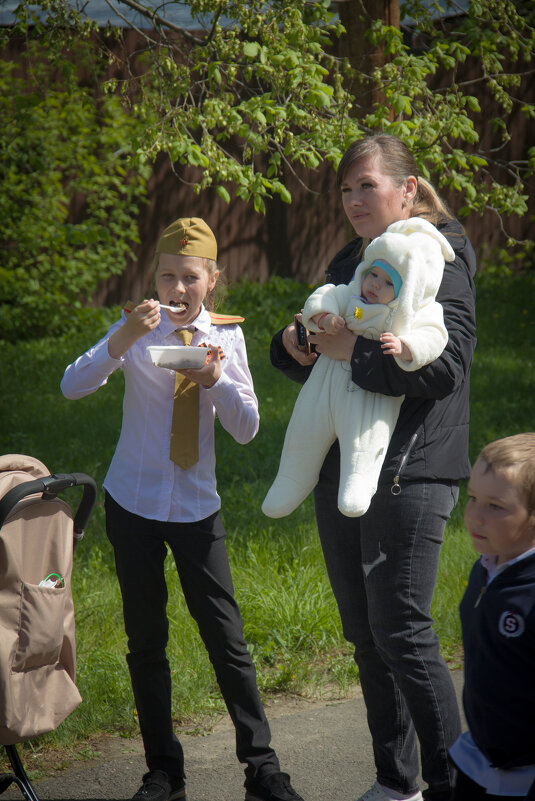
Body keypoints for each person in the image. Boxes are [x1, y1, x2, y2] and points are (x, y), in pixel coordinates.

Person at [61, 217, 305, 801]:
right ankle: (163, 771)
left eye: (189, 277)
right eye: (167, 274)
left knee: (227, 637)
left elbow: (247, 430)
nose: (177, 286)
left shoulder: (229, 337)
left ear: (211, 280)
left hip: (197, 509)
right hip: (133, 502)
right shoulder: (136, 330)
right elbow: (72, 386)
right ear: (155, 277)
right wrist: (119, 340)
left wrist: (216, 377)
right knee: (147, 640)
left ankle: (262, 767)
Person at [269, 134, 477, 801]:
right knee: (365, 637)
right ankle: (396, 782)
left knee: (403, 634)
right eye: (345, 188)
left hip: (410, 474)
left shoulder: (439, 253)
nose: (353, 199)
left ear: (407, 188)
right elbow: (319, 334)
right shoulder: (351, 256)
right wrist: (293, 343)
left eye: (366, 185)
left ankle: (451, 786)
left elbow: (445, 367)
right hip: (340, 471)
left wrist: (349, 350)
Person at [262, 217, 452, 518]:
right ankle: (291, 479)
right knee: (304, 427)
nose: (375, 285)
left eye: (389, 283)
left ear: (408, 292)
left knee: (365, 436)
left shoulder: (415, 314)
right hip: (324, 383)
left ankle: (358, 482)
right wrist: (323, 318)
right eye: (373, 275)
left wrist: (407, 347)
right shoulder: (350, 294)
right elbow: (323, 296)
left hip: (370, 394)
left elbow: (435, 336)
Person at [449, 433, 535, 801]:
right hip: (478, 757)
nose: (473, 515)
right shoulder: (486, 568)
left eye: (495, 506)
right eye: (472, 498)